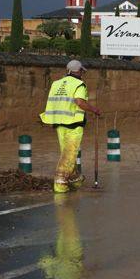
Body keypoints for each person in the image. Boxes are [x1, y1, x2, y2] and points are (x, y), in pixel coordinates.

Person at [40, 60, 101, 193]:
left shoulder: (56, 84)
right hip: (73, 123)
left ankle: (75, 179)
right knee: (70, 153)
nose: (82, 74)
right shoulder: (79, 84)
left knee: (66, 153)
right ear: (78, 71)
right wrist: (94, 109)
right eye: (82, 71)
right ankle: (60, 183)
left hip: (59, 122)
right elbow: (79, 102)